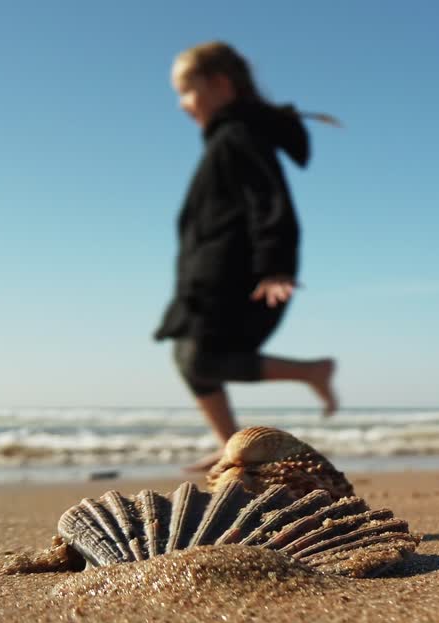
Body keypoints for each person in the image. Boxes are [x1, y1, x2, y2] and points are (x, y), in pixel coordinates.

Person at [154, 41, 339, 471]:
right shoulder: (224, 139)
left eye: (187, 91)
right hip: (205, 276)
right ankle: (227, 444)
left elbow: (269, 198)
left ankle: (313, 372)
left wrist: (276, 266)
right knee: (188, 359)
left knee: (203, 359)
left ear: (220, 85)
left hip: (237, 273)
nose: (183, 104)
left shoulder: (239, 136)